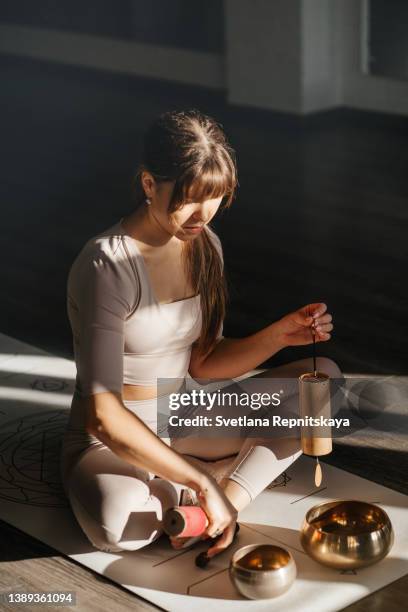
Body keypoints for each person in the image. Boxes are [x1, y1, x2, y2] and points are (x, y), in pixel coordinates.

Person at [60, 109, 340, 559]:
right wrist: (198, 478)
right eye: (189, 198)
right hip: (111, 438)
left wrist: (279, 337)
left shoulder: (205, 244)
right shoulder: (106, 266)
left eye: (215, 198)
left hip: (184, 414)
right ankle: (198, 485)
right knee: (121, 526)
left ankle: (216, 502)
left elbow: (204, 363)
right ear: (149, 184)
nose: (202, 215)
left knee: (322, 386)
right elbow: (103, 417)